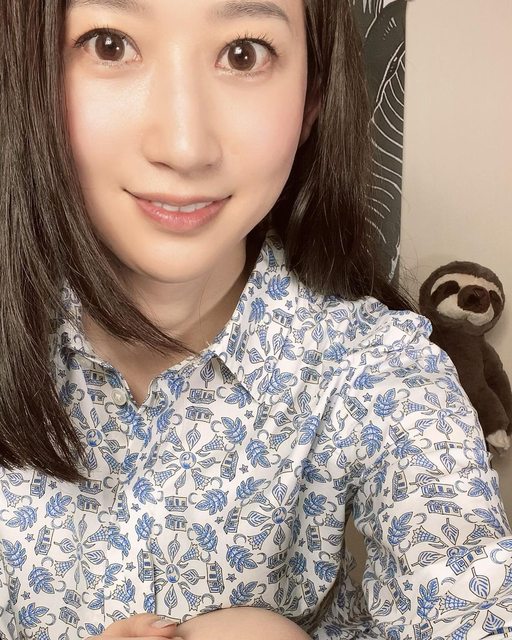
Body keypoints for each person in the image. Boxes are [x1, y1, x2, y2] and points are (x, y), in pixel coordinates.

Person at [1, 0, 511, 639]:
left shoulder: (380, 371)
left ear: (312, 97)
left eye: (244, 54)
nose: (184, 147)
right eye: (109, 44)